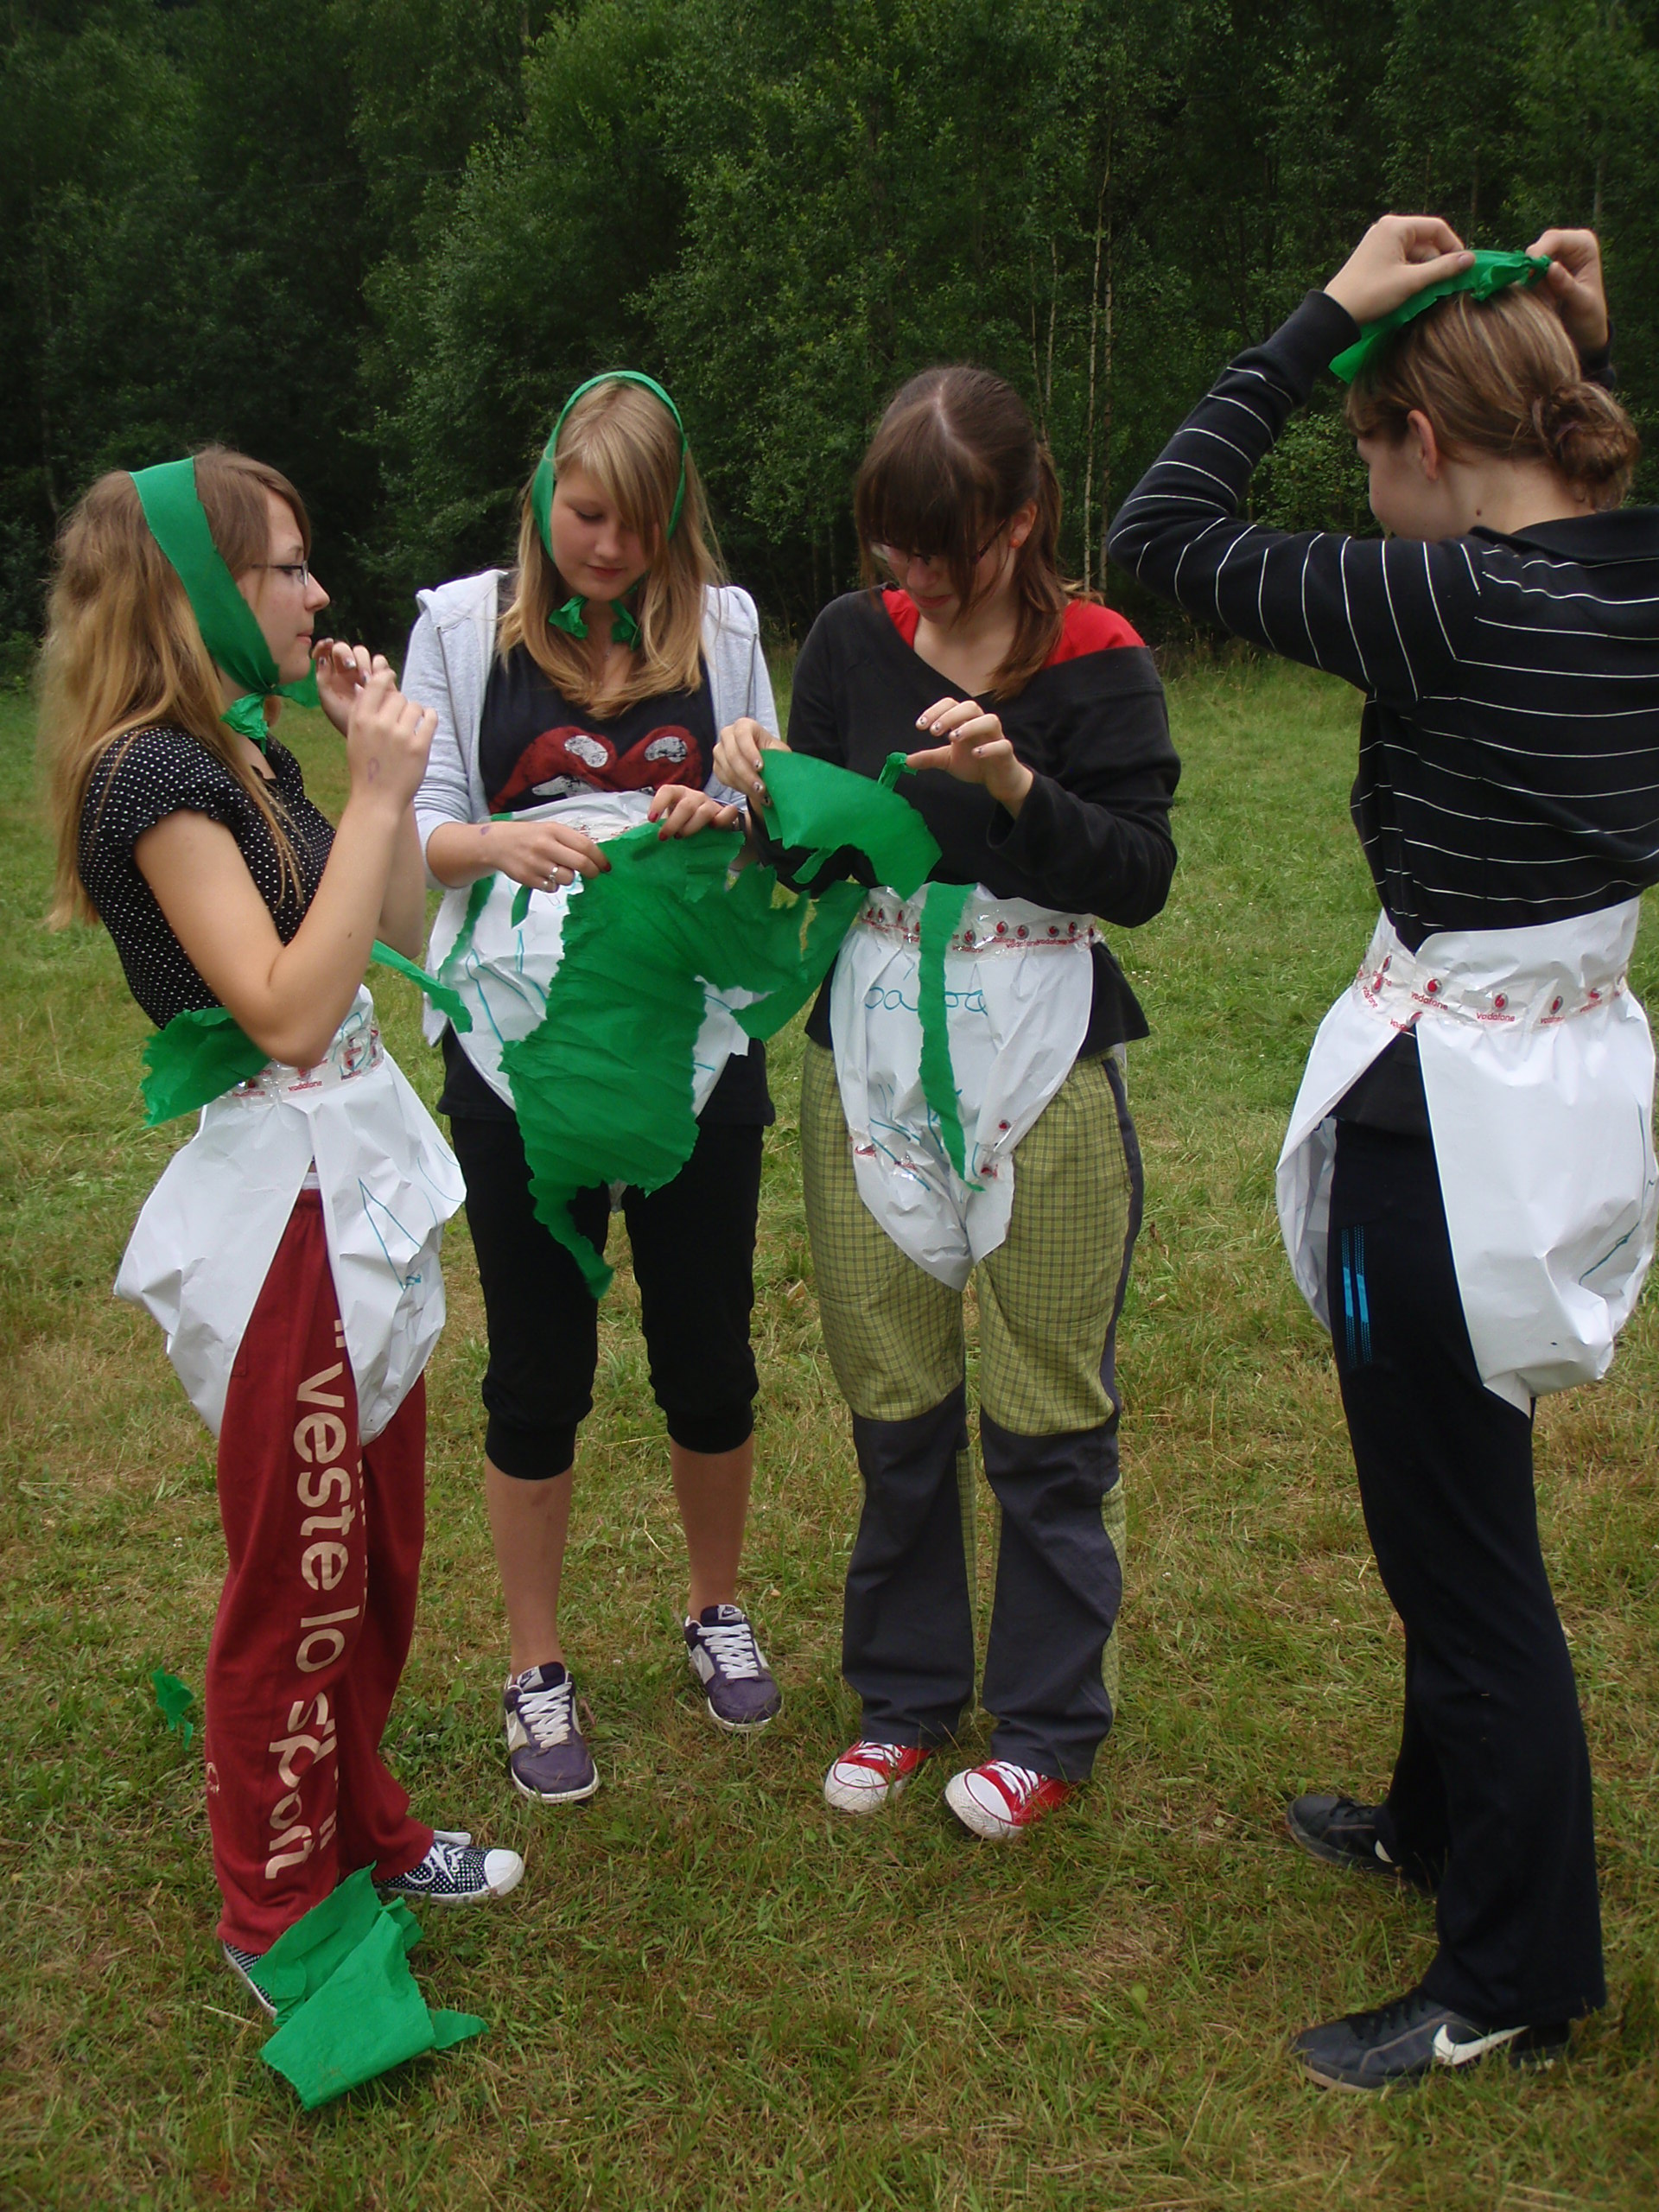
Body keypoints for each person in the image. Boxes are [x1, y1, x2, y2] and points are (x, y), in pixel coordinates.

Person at [1109, 218, 1655, 2088]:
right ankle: (1436, 1818)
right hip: (1561, 1089)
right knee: (1464, 1479)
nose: (1363, 492)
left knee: (1462, 1547)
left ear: (1425, 439)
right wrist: (1576, 355)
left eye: (1365, 451)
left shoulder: (1454, 605)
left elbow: (1159, 532)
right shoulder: (1623, 577)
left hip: (1446, 1124)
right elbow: (1583, 496)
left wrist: (1316, 320)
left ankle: (1512, 1967)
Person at [39, 447, 524, 2013]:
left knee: (378, 1542)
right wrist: (376, 791)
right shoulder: (151, 779)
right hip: (282, 1204)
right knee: (303, 1567)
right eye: (288, 568)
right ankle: (273, 1907)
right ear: (199, 588)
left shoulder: (243, 748)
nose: (319, 592)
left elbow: (393, 930)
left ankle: (363, 1825)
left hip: (356, 1179)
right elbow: (288, 1010)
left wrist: (381, 778)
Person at [716, 366, 1179, 1840]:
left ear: (1021, 520)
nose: (913, 577)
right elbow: (818, 863)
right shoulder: (855, 640)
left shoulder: (1099, 659)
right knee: (895, 1397)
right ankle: (908, 1697)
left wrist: (1019, 789)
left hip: (1042, 1058)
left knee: (1046, 1409)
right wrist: (759, 799)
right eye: (894, 547)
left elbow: (1142, 875)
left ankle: (1046, 1723)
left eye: (944, 549)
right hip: (873, 1050)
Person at [405, 372, 785, 1805]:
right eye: (584, 517)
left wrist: (724, 802)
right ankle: (535, 1664)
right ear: (542, 498)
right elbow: (416, 827)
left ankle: (714, 1604)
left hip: (692, 1032)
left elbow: (773, 807)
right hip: (523, 1049)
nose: (610, 549)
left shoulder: (726, 627)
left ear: (675, 518)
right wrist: (499, 844)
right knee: (538, 1364)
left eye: (637, 524)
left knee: (709, 1348)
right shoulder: (461, 630)